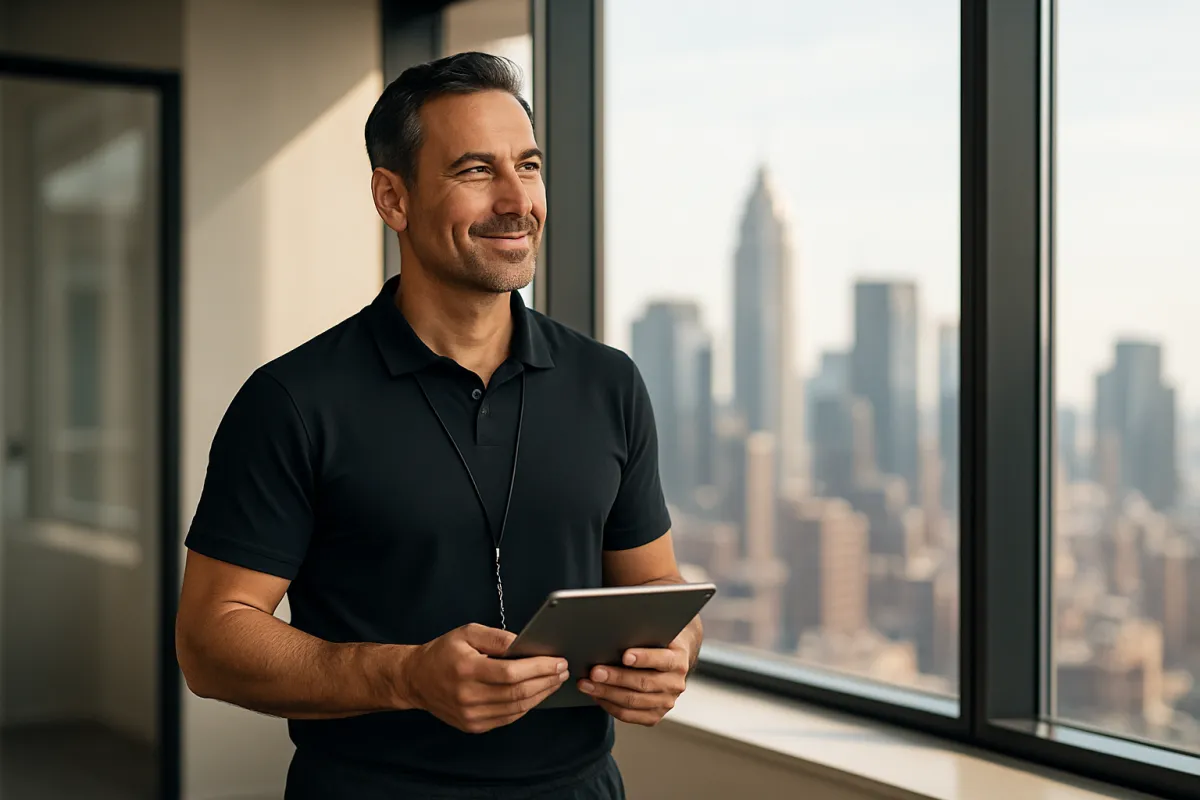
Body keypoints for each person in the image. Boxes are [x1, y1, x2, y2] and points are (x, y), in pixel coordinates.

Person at [174, 51, 703, 799]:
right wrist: (405, 676)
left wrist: (675, 650)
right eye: (476, 171)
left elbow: (653, 583)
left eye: (528, 166)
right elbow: (208, 642)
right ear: (392, 198)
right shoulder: (292, 400)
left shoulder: (608, 382)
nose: (517, 200)